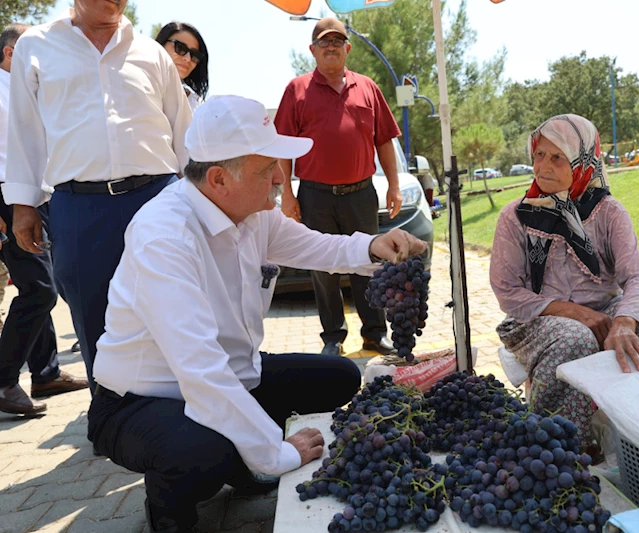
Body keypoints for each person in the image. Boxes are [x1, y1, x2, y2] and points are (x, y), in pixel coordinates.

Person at [87, 95, 427, 532]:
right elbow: (200, 371)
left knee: (340, 377)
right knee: (204, 453)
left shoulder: (252, 213)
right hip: (144, 399)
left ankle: (241, 459)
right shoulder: (164, 236)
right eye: (267, 169)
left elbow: (317, 247)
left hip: (233, 374)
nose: (280, 178)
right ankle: (170, 510)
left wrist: (373, 246)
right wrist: (278, 454)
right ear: (218, 178)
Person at [3, 0, 192, 394]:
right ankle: (110, 412)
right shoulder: (36, 46)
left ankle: (182, 403)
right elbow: (24, 131)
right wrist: (24, 205)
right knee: (94, 318)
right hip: (78, 207)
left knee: (174, 309)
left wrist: (197, 201)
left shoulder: (151, 52)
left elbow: (182, 131)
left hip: (158, 200)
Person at [489, 114, 639, 447]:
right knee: (575, 339)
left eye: (558, 157)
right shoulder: (516, 217)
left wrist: (624, 322)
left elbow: (637, 277)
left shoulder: (609, 212)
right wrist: (576, 312)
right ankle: (558, 445)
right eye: (539, 154)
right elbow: (508, 292)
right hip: (537, 318)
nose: (543, 166)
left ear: (583, 163)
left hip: (605, 307)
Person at [275, 17, 403, 357]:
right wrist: (286, 194)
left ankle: (375, 333)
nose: (330, 47)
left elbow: (384, 140)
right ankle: (333, 337)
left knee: (369, 263)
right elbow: (282, 148)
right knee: (323, 269)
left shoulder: (368, 87)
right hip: (315, 196)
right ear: (312, 49)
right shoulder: (296, 90)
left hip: (361, 194)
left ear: (347, 48)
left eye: (337, 41)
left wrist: (393, 185)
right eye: (324, 41)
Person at [0, 23, 88, 416]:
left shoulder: (25, 91)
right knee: (40, 290)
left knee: (43, 283)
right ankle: (3, 380)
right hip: (8, 200)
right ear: (10, 54)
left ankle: (46, 372)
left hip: (39, 196)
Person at [155, 22, 209, 113]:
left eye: (195, 55)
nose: (188, 59)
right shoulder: (135, 85)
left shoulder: (200, 109)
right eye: (180, 48)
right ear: (161, 45)